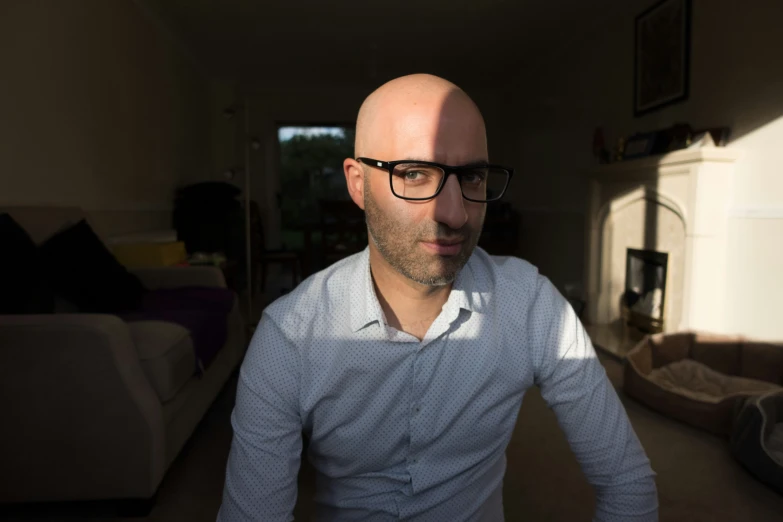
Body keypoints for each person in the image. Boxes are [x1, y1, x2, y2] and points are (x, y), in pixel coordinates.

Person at [217, 74, 658, 521]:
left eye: (472, 177)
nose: (453, 213)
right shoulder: (289, 336)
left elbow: (626, 483)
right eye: (412, 173)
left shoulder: (531, 306)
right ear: (357, 183)